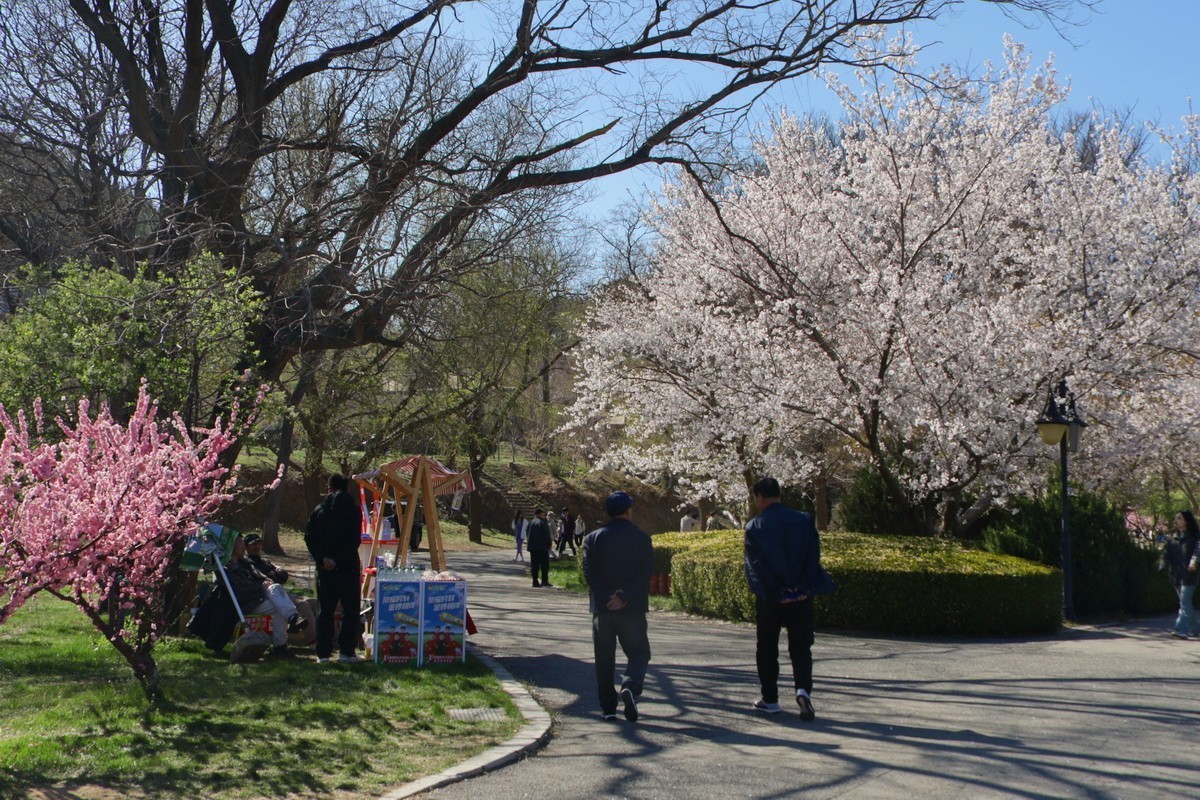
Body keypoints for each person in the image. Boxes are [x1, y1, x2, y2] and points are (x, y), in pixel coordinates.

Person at [744, 477, 836, 720]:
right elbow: (812, 556)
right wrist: (801, 587)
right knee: (801, 647)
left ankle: (770, 699)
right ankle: (803, 689)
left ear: (760, 497)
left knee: (766, 648)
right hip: (801, 597)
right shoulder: (804, 520)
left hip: (771, 600)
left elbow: (756, 566)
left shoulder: (755, 526)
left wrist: (775, 591)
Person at [581, 491, 653, 722]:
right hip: (632, 609)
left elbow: (589, 574)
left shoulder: (592, 539)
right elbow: (645, 574)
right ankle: (630, 685)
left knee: (604, 659)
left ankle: (608, 709)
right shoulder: (642, 538)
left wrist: (608, 597)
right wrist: (623, 595)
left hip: (602, 610)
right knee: (639, 652)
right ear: (629, 511)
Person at [304, 474, 365, 664]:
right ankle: (346, 651)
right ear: (347, 488)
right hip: (348, 567)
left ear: (329, 487)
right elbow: (354, 540)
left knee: (325, 610)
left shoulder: (319, 510)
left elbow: (309, 537)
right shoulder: (354, 510)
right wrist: (338, 560)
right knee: (350, 610)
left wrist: (323, 559)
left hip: (325, 569)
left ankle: (323, 654)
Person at [243, 533, 316, 639]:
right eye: (253, 544)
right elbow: (264, 578)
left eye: (258, 544)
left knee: (315, 603)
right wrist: (272, 574)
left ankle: (326, 636)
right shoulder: (248, 563)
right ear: (246, 547)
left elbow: (284, 576)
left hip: (280, 592)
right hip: (268, 595)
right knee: (302, 604)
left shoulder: (265, 561)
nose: (256, 547)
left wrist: (274, 574)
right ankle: (313, 640)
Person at [1168, 510, 1200, 639]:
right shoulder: (1174, 537)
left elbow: (1198, 551)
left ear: (1186, 521)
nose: (1176, 520)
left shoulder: (1196, 536)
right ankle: (1196, 628)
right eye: (1175, 518)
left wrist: (1194, 562)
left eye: (1179, 518)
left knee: (1184, 601)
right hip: (1176, 575)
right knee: (1185, 603)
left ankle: (1180, 629)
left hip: (1190, 574)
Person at [525, 508, 553, 588]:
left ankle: (535, 581)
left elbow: (528, 533)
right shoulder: (542, 523)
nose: (544, 516)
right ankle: (544, 581)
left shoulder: (531, 523)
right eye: (543, 514)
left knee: (534, 565)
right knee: (544, 565)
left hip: (533, 547)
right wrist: (549, 544)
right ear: (539, 514)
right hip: (542, 547)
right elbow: (546, 535)